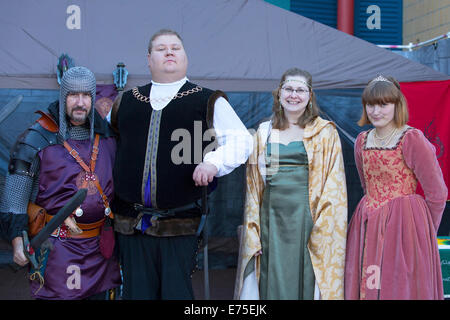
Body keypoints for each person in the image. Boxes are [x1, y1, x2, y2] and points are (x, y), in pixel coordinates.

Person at [110, 29, 253, 300]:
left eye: (175, 47)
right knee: (135, 294)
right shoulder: (126, 102)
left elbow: (241, 141)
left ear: (185, 57)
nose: (169, 52)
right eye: (161, 48)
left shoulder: (207, 100)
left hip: (180, 223)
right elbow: (106, 147)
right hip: (130, 223)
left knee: (176, 295)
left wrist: (213, 163)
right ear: (149, 58)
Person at [0, 66, 121, 299]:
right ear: (62, 96)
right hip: (56, 250)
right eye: (73, 95)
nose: (80, 102)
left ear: (93, 98)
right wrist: (17, 241)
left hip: (100, 251)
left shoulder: (108, 138)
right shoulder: (37, 139)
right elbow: (15, 199)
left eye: (86, 95)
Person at [234, 68, 348, 300]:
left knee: (306, 280)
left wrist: (323, 228)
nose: (293, 95)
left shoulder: (324, 132)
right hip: (271, 220)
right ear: (279, 94)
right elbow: (254, 186)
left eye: (300, 90)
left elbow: (333, 185)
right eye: (288, 89)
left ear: (310, 96)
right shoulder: (263, 133)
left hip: (308, 220)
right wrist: (253, 230)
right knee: (270, 280)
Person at [344, 75, 448, 300]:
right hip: (368, 221)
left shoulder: (411, 138)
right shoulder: (362, 141)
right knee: (371, 278)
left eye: (383, 104)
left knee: (398, 284)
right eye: (371, 104)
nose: (376, 111)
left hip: (405, 224)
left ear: (397, 105)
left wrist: (423, 231)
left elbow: (437, 193)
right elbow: (366, 183)